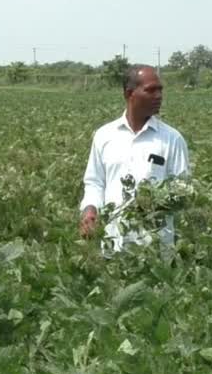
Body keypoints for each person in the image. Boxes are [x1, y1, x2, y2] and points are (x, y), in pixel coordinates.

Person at [79, 64, 190, 251]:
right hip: (112, 244)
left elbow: (182, 191)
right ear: (130, 94)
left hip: (155, 248)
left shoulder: (172, 139)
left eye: (160, 90)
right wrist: (90, 209)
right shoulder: (105, 135)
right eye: (151, 90)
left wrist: (149, 204)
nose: (159, 96)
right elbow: (95, 182)